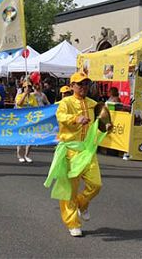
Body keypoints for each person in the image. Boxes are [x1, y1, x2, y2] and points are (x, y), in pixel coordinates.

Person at [53, 72, 110, 237]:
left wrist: (107, 126)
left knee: (96, 184)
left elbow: (103, 120)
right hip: (70, 150)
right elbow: (60, 116)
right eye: (79, 84)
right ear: (72, 86)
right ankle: (73, 223)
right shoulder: (65, 102)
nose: (83, 87)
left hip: (87, 150)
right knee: (70, 190)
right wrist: (75, 119)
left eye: (86, 84)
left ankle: (81, 204)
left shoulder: (94, 104)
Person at [15, 81, 38, 163]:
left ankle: (27, 155)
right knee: (21, 138)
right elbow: (19, 104)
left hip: (30, 120)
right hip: (21, 120)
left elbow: (36, 108)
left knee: (30, 138)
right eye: (26, 87)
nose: (27, 88)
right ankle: (20, 155)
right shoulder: (19, 96)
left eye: (29, 87)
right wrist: (24, 95)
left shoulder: (32, 97)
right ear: (23, 88)